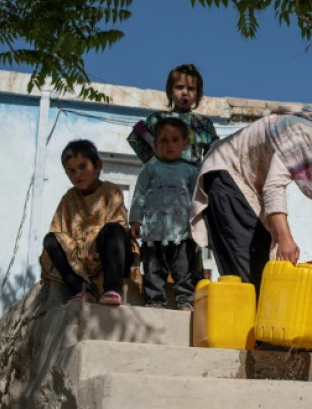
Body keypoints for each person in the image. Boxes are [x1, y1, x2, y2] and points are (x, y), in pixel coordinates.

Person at [190, 101, 312, 291]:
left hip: (246, 182)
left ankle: (251, 318)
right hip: (226, 172)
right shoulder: (298, 133)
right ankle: (243, 319)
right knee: (250, 263)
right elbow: (274, 186)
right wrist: (285, 238)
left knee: (262, 258)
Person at [127, 63, 218, 284]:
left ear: (198, 94)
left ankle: (189, 287)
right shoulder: (158, 120)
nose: (185, 93)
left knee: (190, 238)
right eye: (179, 87)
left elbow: (216, 152)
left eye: (191, 89)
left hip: (191, 189)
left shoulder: (203, 124)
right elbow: (135, 138)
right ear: (170, 91)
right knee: (156, 237)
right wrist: (156, 165)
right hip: (162, 191)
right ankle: (154, 286)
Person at [39, 139, 138, 306]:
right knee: (50, 240)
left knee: (113, 229)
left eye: (82, 167)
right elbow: (59, 231)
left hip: (111, 256)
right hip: (81, 260)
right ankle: (81, 289)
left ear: (98, 166)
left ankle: (112, 289)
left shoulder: (111, 191)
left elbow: (120, 224)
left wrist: (96, 243)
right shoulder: (68, 199)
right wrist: (80, 250)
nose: (77, 174)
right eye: (71, 171)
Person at [128, 117, 199, 311]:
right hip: (153, 233)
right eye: (164, 141)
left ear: (185, 143)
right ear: (156, 144)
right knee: (153, 270)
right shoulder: (150, 169)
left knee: (183, 270)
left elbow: (197, 201)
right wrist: (135, 220)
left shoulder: (190, 172)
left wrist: (198, 227)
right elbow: (139, 195)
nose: (169, 145)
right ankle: (155, 301)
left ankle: (185, 300)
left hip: (182, 234)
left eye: (175, 140)